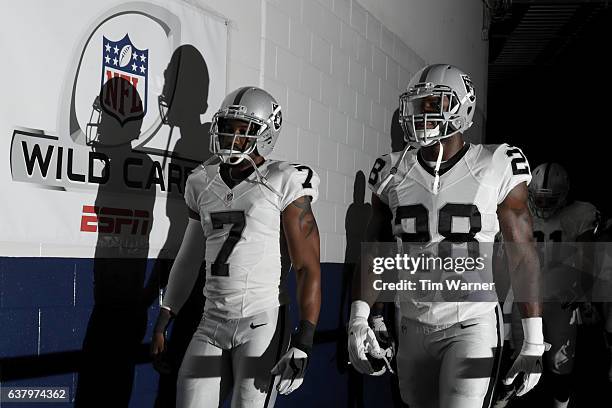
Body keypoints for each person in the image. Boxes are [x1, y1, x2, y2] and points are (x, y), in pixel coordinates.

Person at [347, 64, 546, 408]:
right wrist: (359, 317)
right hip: (411, 324)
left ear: (461, 107)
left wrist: (533, 339)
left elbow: (523, 253)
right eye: (415, 105)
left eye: (431, 105)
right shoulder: (391, 171)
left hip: (471, 323)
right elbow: (375, 252)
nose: (419, 115)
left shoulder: (495, 163)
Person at [150, 86, 321, 407]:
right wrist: (165, 316)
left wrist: (305, 339)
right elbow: (189, 257)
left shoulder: (283, 179)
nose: (233, 138)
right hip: (210, 320)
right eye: (229, 128)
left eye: (245, 131)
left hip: (262, 321)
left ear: (266, 135)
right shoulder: (201, 180)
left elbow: (307, 266)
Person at [523, 162, 597, 407]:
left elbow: (589, 257)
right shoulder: (519, 208)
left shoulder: (579, 215)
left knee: (560, 364)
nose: (543, 206)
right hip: (526, 293)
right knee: (519, 360)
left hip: (560, 297)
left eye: (550, 200)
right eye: (539, 200)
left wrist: (584, 288)